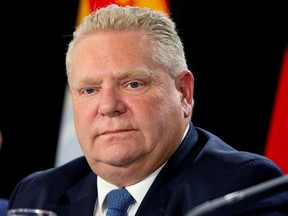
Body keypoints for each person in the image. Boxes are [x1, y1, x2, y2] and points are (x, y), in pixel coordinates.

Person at [7, 4, 288, 216]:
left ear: (184, 93)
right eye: (89, 90)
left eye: (132, 84)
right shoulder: (37, 195)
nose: (108, 107)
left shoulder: (239, 189)